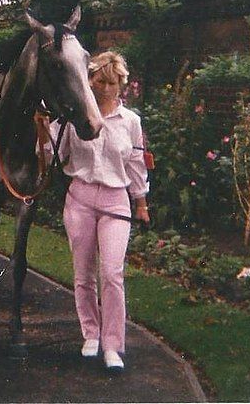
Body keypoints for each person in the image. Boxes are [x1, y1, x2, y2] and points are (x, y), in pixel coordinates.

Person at [46, 51, 150, 372]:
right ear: (89, 80)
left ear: (122, 84)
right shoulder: (73, 116)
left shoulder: (131, 122)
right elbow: (52, 153)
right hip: (80, 198)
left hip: (116, 201)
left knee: (112, 274)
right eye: (99, 81)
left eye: (112, 82)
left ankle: (113, 345)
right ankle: (90, 334)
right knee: (83, 273)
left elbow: (135, 164)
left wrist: (142, 202)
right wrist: (44, 129)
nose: (106, 88)